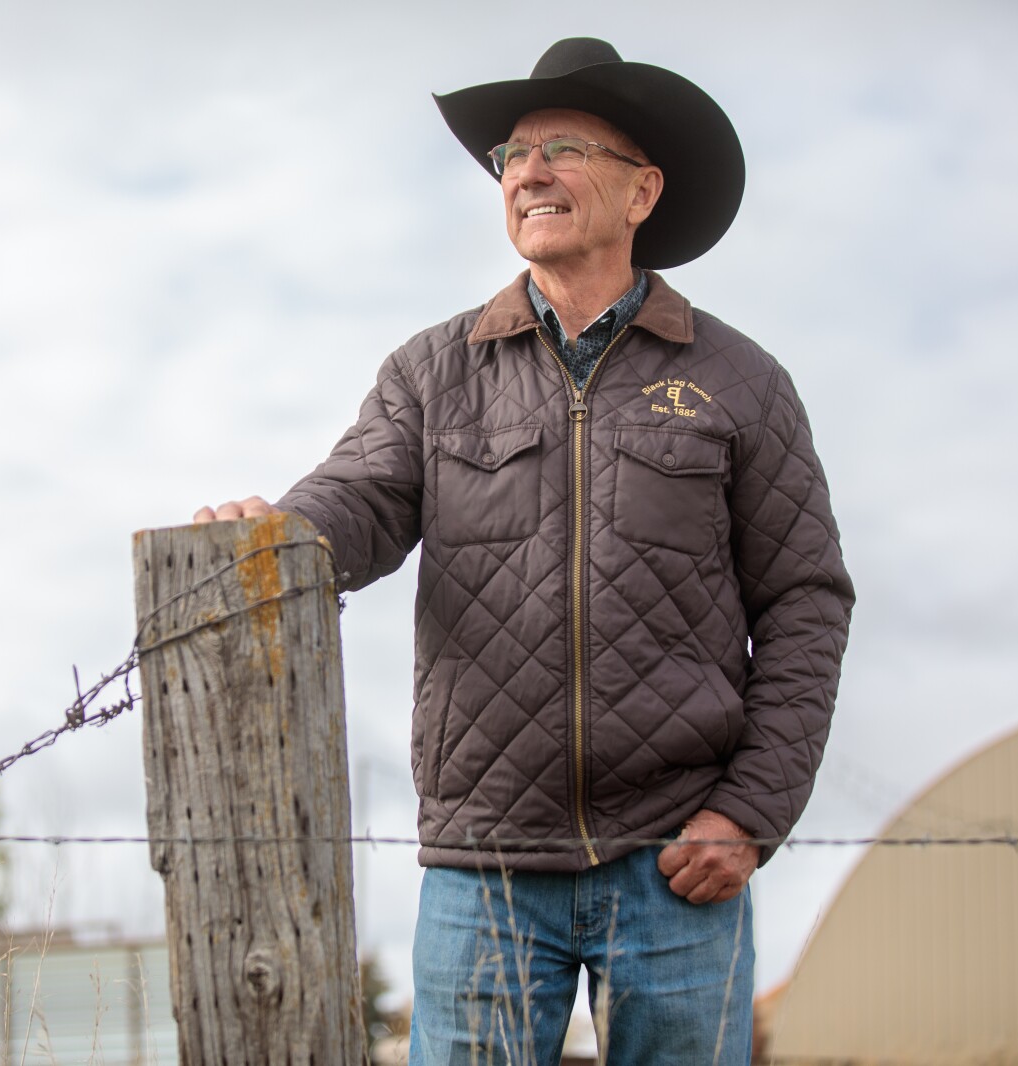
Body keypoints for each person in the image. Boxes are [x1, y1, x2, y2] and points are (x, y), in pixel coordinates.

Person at [194, 37, 854, 1065]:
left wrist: (751, 811)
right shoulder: (433, 372)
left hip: (680, 859)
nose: (527, 171)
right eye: (512, 154)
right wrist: (280, 534)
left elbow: (807, 602)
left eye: (563, 148)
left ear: (643, 191)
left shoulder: (741, 381)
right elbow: (358, 499)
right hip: (484, 858)